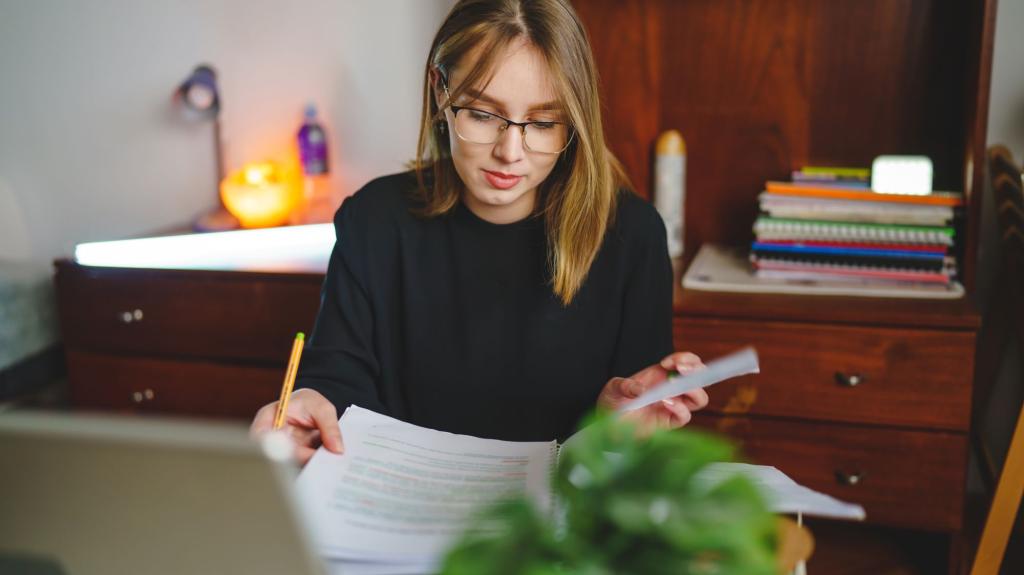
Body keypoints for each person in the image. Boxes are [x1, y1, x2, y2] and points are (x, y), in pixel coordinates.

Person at [251, 0, 708, 465]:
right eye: (484, 115)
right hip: (399, 507)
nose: (511, 152)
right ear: (440, 92)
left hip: (559, 523)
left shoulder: (631, 236)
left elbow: (633, 440)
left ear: (575, 120)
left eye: (544, 123)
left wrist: (613, 423)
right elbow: (337, 379)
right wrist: (311, 405)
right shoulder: (374, 219)